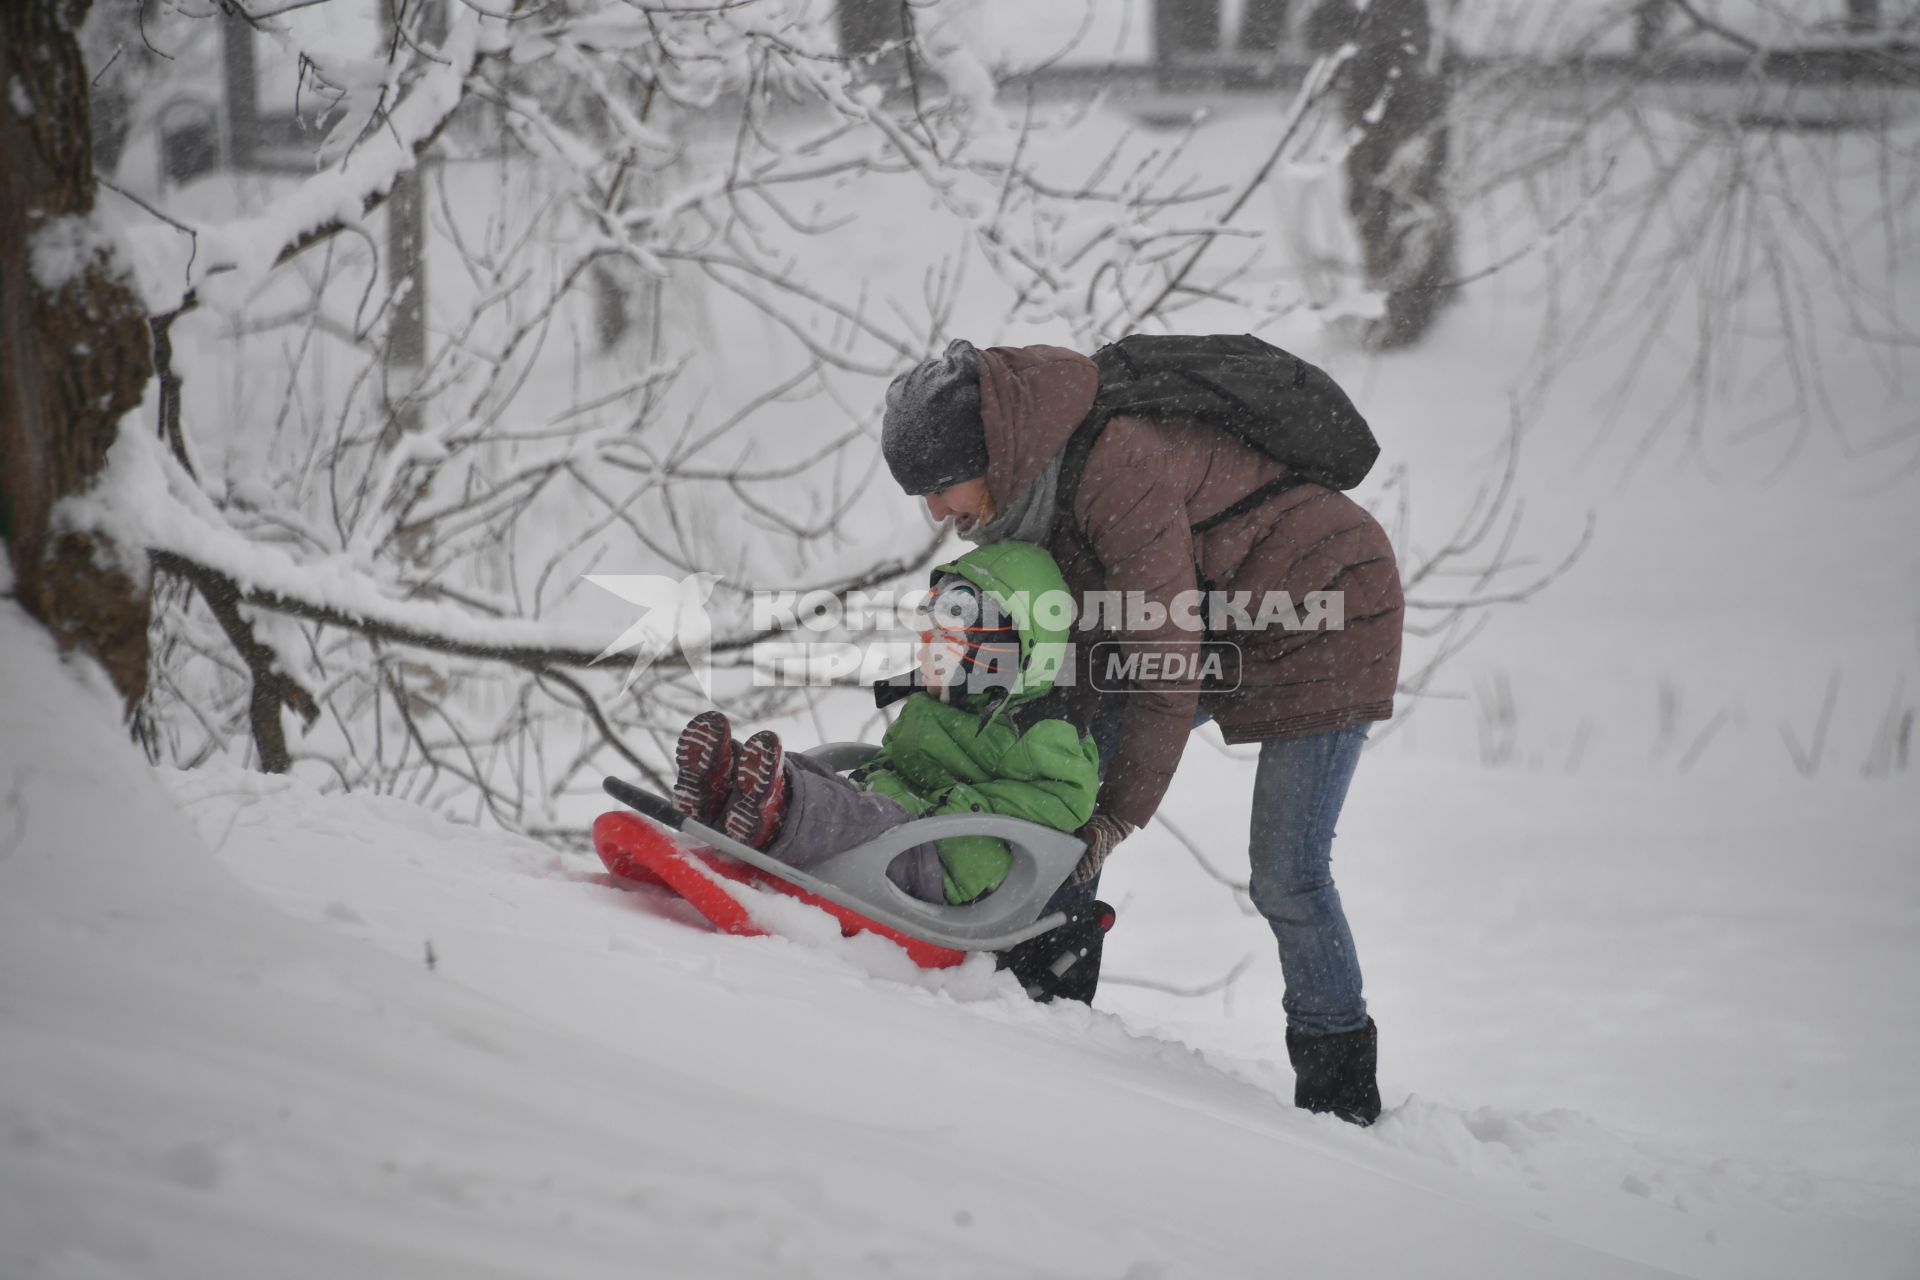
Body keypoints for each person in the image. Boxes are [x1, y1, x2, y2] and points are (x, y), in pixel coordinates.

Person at [881, 338, 1404, 1126]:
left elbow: (1165, 666)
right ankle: (1041, 991)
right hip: (1221, 619)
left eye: (942, 488)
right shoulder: (1035, 484)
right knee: (1071, 763)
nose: (937, 514)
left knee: (1286, 872)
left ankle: (1340, 1092)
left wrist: (1116, 819)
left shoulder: (1115, 466)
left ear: (988, 454)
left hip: (1324, 609)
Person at [669, 540, 1100, 908]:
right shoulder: (940, 702)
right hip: (895, 822)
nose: (924, 657)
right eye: (927, 641)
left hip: (943, 858)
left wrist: (956, 808)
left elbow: (1065, 803)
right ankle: (727, 789)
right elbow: (894, 764)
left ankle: (773, 812)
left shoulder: (1040, 732)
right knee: (816, 778)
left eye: (946, 646)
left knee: (853, 814)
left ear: (1002, 654)